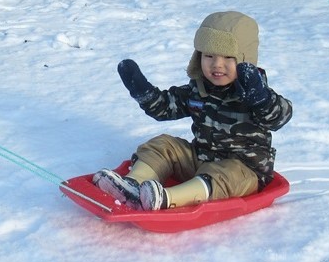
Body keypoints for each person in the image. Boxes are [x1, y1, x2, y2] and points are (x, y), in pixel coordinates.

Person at [93, 11, 293, 210]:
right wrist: (144, 93)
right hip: (200, 160)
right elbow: (166, 107)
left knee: (226, 174)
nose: (217, 64)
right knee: (164, 144)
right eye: (209, 55)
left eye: (228, 57)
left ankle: (166, 198)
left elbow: (279, 117)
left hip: (243, 173)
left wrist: (260, 99)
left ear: (245, 59)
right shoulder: (198, 90)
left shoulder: (256, 95)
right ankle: (133, 185)